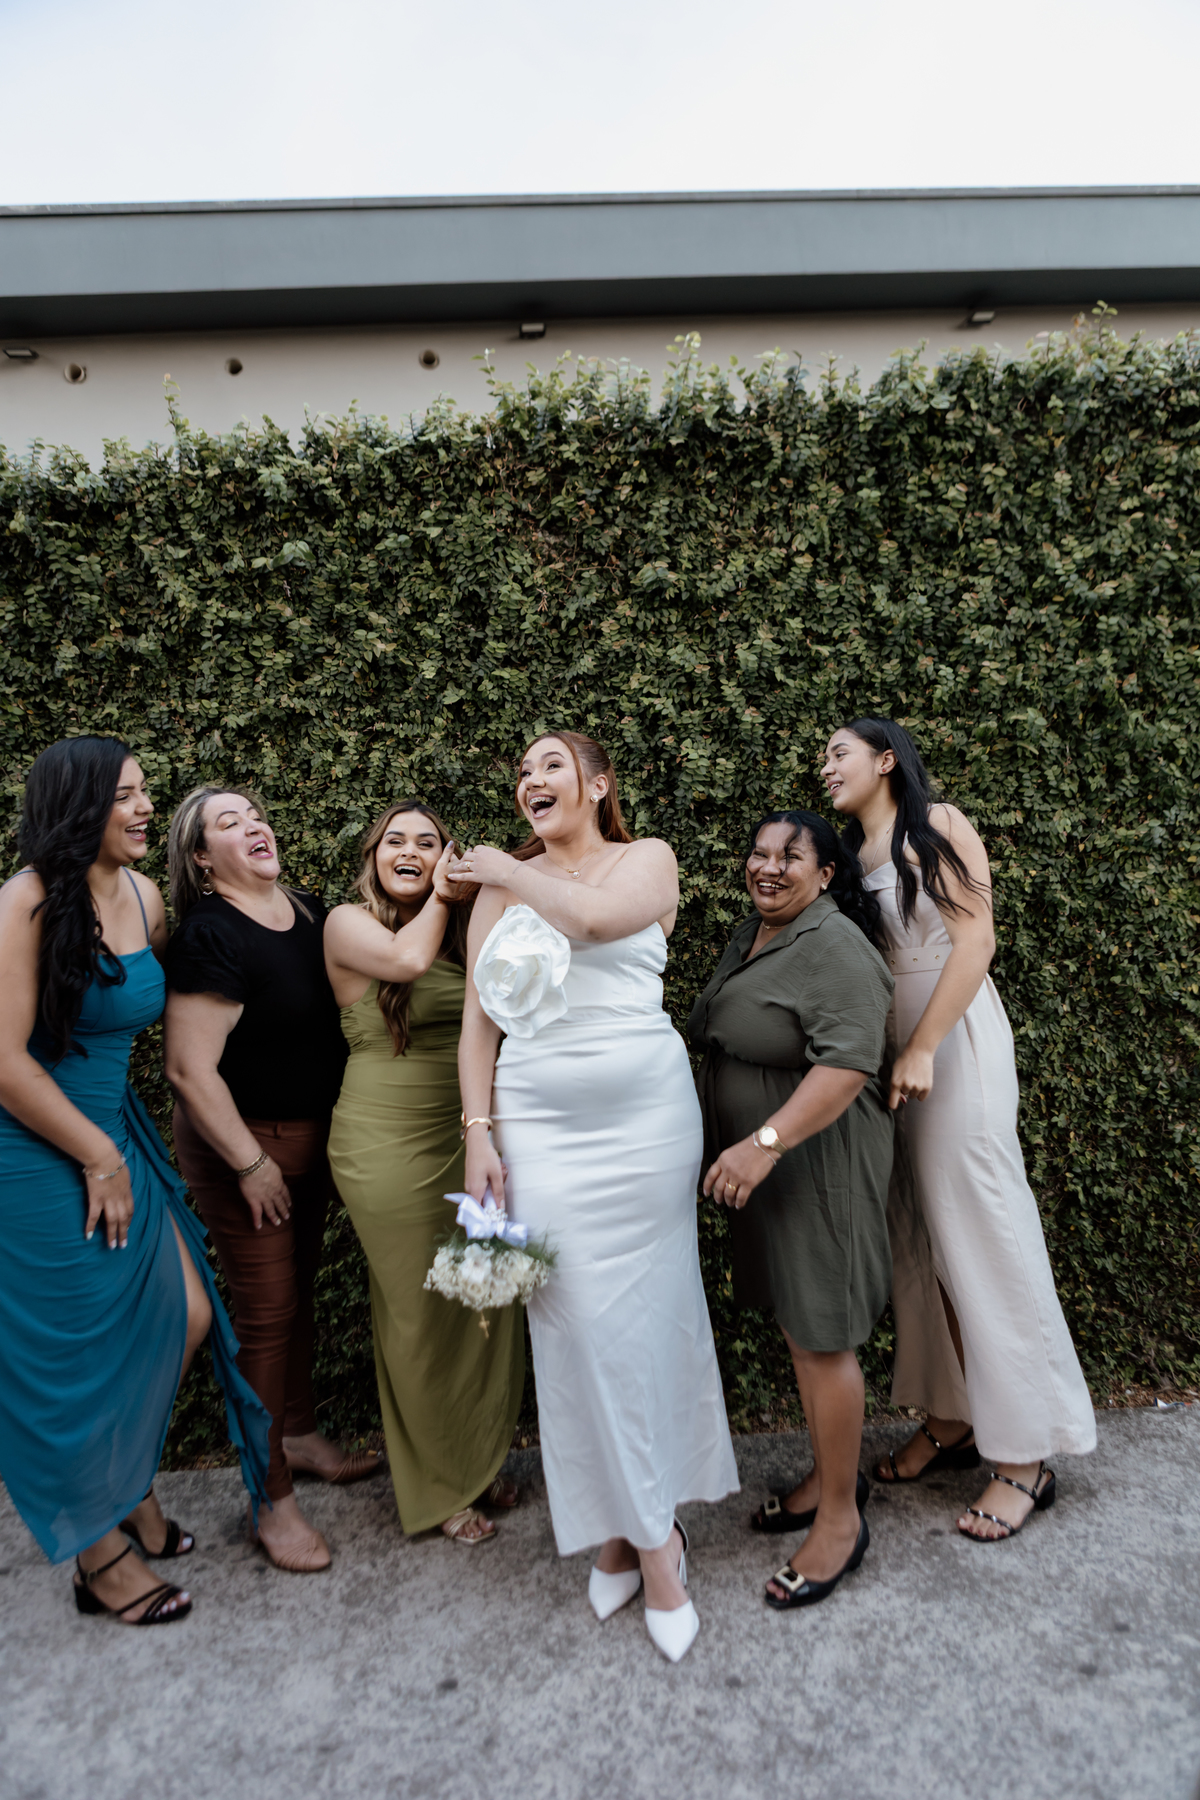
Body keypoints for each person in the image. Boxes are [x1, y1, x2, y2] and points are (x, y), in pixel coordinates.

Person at [452, 730, 739, 1663]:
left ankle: (632, 1537)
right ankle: (654, 1541)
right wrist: (478, 1132)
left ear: (598, 784)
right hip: (539, 1124)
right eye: (522, 770)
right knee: (575, 1325)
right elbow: (477, 1026)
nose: (531, 779)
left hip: (647, 1125)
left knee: (648, 1321)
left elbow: (599, 922)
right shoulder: (498, 889)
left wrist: (505, 867)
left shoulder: (646, 859)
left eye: (551, 766)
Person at [0, 737, 270, 1624]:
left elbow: (163, 1001)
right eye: (125, 795)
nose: (146, 806)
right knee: (69, 1360)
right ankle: (98, 1556)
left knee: (183, 1313)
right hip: (36, 1148)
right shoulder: (23, 902)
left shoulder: (147, 896)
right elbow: (5, 1062)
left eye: (145, 790)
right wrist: (97, 1155)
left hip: (114, 1133)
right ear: (78, 807)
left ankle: (124, 1489)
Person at [823, 718, 1096, 1540]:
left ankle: (1026, 1454)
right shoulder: (851, 853)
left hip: (952, 1043)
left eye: (838, 753)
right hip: (892, 1052)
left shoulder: (936, 825)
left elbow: (976, 939)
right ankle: (956, 1416)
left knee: (984, 1232)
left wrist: (923, 1046)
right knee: (921, 1239)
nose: (826, 766)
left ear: (885, 759)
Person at [164, 785, 379, 1576]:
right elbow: (189, 1070)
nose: (253, 825)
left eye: (255, 814)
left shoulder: (309, 911)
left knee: (299, 1298)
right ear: (200, 858)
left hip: (313, 1141)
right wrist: (250, 1165)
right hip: (244, 1149)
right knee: (266, 1314)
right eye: (228, 823)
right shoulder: (209, 934)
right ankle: (270, 1498)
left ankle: (298, 1434)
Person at [689, 810, 894, 1609]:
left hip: (818, 1163)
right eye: (759, 853)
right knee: (799, 1329)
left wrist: (764, 1143)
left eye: (790, 857)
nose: (768, 867)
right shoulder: (757, 932)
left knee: (822, 1336)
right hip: (775, 1167)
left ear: (826, 874)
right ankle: (828, 1477)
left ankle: (841, 1520)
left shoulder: (835, 944)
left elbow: (847, 1065)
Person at [324, 801, 524, 1545]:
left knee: (483, 1302)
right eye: (395, 841)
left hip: (470, 1133)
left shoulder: (463, 930)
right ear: (374, 854)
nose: (409, 851)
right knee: (418, 1314)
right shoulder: (346, 924)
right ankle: (440, 1486)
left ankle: (476, 1460)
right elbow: (406, 963)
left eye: (428, 842)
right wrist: (445, 893)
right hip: (385, 1143)